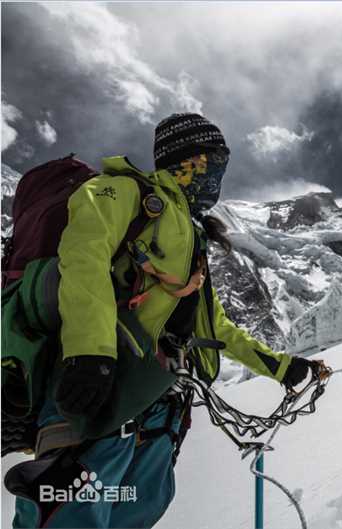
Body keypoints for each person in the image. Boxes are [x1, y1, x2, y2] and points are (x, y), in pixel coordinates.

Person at [7, 113, 321, 528]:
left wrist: (282, 368)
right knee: (67, 515)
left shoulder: (193, 237)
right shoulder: (122, 192)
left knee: (133, 514)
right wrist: (90, 354)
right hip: (100, 395)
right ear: (185, 158)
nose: (217, 176)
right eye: (212, 162)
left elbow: (215, 328)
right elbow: (83, 259)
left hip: (160, 411)